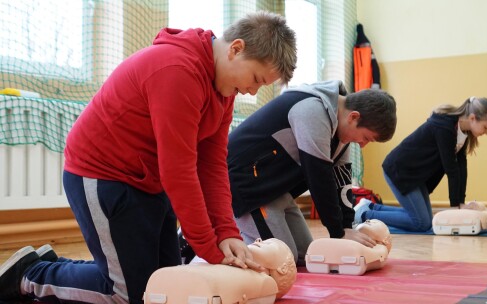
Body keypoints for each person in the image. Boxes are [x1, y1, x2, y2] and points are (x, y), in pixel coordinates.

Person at [0, 11, 296, 303]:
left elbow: (212, 166)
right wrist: (209, 247)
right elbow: (179, 170)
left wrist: (227, 233)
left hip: (149, 181)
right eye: (256, 79)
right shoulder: (178, 71)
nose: (251, 91)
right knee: (128, 294)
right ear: (236, 49)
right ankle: (30, 275)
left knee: (164, 286)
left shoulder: (223, 89)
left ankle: (52, 265)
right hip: (103, 175)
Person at [227, 80, 397, 265]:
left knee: (307, 255)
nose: (362, 144)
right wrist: (338, 233)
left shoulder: (340, 128)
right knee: (281, 260)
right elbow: (319, 177)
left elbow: (342, 181)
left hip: (275, 191)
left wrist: (347, 228)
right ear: (354, 117)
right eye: (366, 138)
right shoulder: (312, 110)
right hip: (248, 189)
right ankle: (225, 247)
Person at [354, 97, 487, 232]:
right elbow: (451, 169)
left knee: (424, 219)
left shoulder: (462, 134)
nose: (486, 132)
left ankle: (372, 206)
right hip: (400, 170)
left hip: (416, 176)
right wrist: (456, 206)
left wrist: (461, 202)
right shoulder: (445, 127)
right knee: (421, 223)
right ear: (472, 118)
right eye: (486, 127)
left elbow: (461, 169)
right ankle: (364, 214)